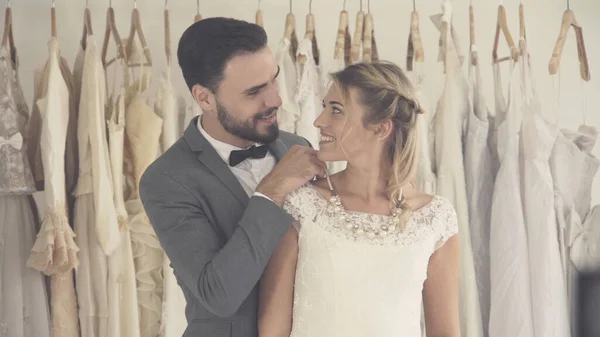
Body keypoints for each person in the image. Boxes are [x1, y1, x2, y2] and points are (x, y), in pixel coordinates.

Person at [139, 18, 326, 337]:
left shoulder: (299, 148)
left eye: (273, 81)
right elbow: (218, 295)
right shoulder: (166, 180)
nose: (275, 100)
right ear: (205, 99)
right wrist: (272, 191)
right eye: (254, 92)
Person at [258, 61, 461, 337]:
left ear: (380, 129)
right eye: (323, 107)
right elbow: (272, 330)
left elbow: (445, 332)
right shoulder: (303, 205)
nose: (319, 122)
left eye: (336, 110)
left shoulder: (435, 217)